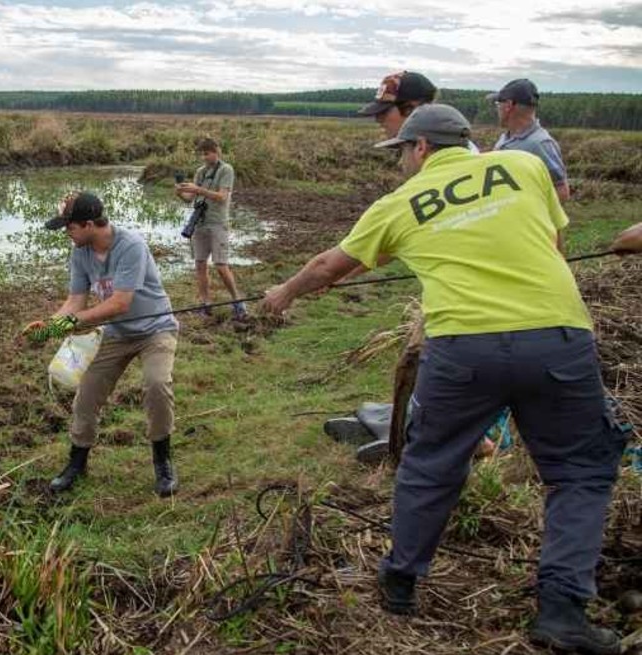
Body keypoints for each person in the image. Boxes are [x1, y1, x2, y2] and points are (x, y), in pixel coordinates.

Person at [260, 105, 627, 654]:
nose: (401, 163)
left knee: (431, 463)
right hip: (558, 337)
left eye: (402, 153)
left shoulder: (399, 204)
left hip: (463, 348)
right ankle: (562, 611)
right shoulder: (522, 166)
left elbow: (328, 267)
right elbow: (552, 246)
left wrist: (282, 294)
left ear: (423, 148)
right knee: (579, 471)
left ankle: (401, 581)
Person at [21, 191, 180, 497]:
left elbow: (120, 303)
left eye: (70, 227)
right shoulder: (80, 253)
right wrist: (50, 325)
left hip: (155, 329)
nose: (67, 232)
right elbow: (75, 301)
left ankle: (163, 462)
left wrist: (73, 323)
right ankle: (76, 464)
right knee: (86, 395)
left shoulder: (130, 246)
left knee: (157, 385)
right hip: (117, 333)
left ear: (90, 224)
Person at [175, 137, 246, 319]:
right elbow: (190, 198)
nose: (204, 157)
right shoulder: (200, 172)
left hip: (217, 223)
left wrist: (198, 190)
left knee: (221, 265)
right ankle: (205, 304)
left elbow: (222, 197)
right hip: (199, 223)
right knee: (199, 264)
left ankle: (237, 302)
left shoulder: (226, 170)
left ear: (216, 151)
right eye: (202, 154)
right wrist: (180, 192)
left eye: (207, 154)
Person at [488, 79, 571, 202]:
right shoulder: (506, 137)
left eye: (498, 104)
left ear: (508, 106)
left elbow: (562, 192)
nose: (497, 109)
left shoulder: (540, 144)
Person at [359, 71, 480, 153]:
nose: (378, 120)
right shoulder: (448, 143)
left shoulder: (441, 152)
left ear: (410, 109)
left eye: (384, 112)